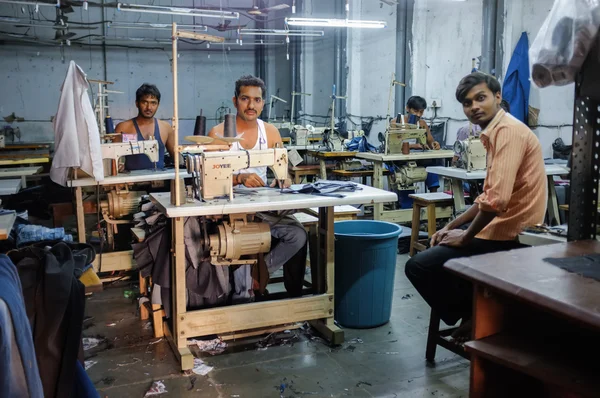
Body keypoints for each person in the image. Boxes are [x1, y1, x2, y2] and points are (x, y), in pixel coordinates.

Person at [405, 72, 547, 341]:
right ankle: (475, 309)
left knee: (419, 266)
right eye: (467, 103)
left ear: (497, 97)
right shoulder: (493, 133)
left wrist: (465, 237)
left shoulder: (507, 132)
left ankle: (478, 314)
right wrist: (452, 225)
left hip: (514, 234)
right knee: (441, 242)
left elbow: (496, 203)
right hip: (502, 225)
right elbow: (488, 198)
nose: (474, 107)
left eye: (480, 98)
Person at [208, 75, 307, 288]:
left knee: (298, 235)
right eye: (245, 99)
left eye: (257, 100)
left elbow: (283, 170)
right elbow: (209, 180)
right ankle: (247, 285)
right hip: (229, 212)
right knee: (241, 243)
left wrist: (283, 180)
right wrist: (238, 178)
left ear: (263, 103)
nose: (251, 105)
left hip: (262, 208)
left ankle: (259, 273)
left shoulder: (270, 132)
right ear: (235, 101)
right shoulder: (218, 134)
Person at [115, 84, 175, 171]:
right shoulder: (123, 128)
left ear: (158, 105)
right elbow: (113, 159)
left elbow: (176, 157)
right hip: (132, 182)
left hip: (160, 181)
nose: (149, 107)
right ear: (137, 103)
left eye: (153, 103)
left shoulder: (165, 128)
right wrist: (118, 166)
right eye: (144, 102)